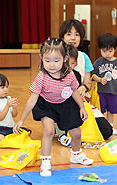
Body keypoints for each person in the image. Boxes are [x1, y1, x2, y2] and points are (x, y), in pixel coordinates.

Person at [13, 38, 93, 177]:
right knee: (49, 131)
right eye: (47, 60)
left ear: (65, 58)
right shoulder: (41, 77)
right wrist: (21, 120)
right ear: (41, 58)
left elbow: (74, 91)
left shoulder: (69, 75)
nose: (51, 65)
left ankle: (76, 154)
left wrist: (82, 107)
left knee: (76, 134)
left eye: (56, 60)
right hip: (46, 105)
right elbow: (32, 100)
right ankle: (45, 161)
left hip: (66, 104)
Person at [58, 45, 113, 147]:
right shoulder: (56, 76)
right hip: (66, 110)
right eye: (67, 63)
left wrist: (83, 88)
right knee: (72, 127)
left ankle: (81, 136)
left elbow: (86, 85)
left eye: (73, 63)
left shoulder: (77, 74)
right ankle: (67, 136)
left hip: (82, 107)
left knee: (107, 130)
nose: (70, 66)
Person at [91, 33, 117, 135]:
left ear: (115, 48)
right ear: (100, 49)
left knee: (111, 111)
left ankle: (110, 127)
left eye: (110, 51)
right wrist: (99, 79)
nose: (107, 54)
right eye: (104, 51)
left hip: (113, 92)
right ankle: (102, 128)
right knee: (101, 111)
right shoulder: (98, 62)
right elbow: (92, 75)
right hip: (101, 92)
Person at [0, 73, 31, 144]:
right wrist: (7, 106)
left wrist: (14, 108)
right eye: (2, 87)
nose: (6, 89)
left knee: (27, 132)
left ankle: (8, 138)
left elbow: (14, 115)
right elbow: (0, 117)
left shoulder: (8, 98)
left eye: (7, 87)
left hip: (10, 127)